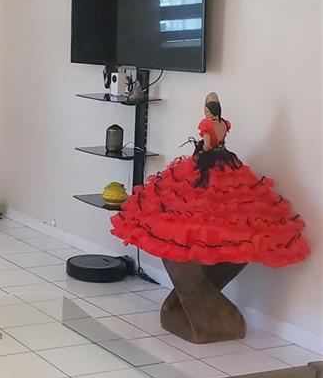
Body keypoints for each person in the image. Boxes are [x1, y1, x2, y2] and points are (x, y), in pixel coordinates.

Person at [110, 93, 309, 267]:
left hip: (206, 162)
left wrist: (200, 147)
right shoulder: (224, 124)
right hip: (225, 160)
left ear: (210, 110)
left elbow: (206, 146)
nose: (205, 112)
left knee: (194, 201)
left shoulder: (207, 124)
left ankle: (199, 256)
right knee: (227, 202)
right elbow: (221, 141)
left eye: (206, 109)